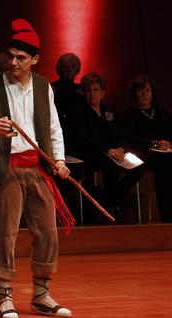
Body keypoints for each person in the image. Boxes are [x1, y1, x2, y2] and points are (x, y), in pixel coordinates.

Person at [0, 18, 74, 318]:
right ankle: (4, 296)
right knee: (6, 233)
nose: (13, 62)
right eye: (10, 56)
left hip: (38, 168)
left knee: (48, 232)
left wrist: (60, 160)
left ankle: (41, 294)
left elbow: (53, 128)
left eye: (21, 58)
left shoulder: (43, 86)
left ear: (35, 60)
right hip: (8, 168)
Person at [69, 72, 141, 221]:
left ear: (102, 93)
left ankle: (110, 201)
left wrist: (121, 149)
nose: (92, 93)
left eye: (95, 90)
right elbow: (83, 139)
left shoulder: (109, 111)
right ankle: (112, 206)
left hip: (114, 153)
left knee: (139, 166)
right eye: (88, 90)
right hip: (91, 154)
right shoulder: (78, 112)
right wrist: (107, 150)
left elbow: (120, 134)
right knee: (112, 167)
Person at [121, 75, 172, 222]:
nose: (144, 94)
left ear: (152, 93)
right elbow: (131, 138)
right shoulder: (129, 114)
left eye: (147, 90)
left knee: (166, 160)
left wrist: (167, 143)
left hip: (164, 152)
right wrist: (155, 143)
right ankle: (167, 216)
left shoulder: (162, 113)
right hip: (141, 153)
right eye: (140, 91)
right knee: (164, 163)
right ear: (134, 93)